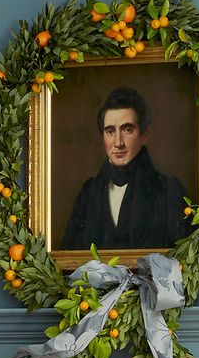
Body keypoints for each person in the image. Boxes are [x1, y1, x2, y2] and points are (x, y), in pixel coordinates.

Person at [61, 87, 190, 251]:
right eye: (110, 131)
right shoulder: (89, 193)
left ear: (145, 134)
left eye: (127, 129)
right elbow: (67, 257)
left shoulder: (169, 190)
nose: (118, 142)